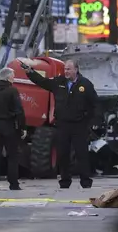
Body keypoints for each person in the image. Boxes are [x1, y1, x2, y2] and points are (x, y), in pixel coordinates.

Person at [21, 59, 97, 189]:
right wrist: (30, 72)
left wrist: (89, 121)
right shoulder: (59, 82)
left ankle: (85, 181)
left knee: (81, 154)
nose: (66, 72)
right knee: (63, 154)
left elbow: (94, 104)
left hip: (79, 125)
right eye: (65, 69)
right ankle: (65, 181)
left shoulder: (86, 85)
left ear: (76, 70)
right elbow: (43, 82)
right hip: (62, 125)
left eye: (68, 69)